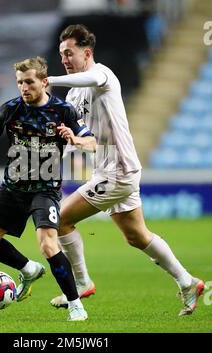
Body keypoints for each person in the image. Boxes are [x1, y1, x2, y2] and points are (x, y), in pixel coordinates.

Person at [47, 24, 205, 316]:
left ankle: (81, 283)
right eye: (61, 55)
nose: (65, 59)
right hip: (108, 171)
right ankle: (187, 282)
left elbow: (91, 78)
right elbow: (77, 140)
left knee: (58, 220)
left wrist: (50, 79)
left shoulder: (103, 75)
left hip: (117, 171)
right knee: (136, 236)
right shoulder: (73, 96)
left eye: (69, 53)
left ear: (87, 52)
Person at [0, 56, 96, 321]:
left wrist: (75, 140)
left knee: (48, 244)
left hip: (44, 190)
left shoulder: (63, 111)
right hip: (12, 188)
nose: (24, 88)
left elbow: (91, 142)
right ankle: (28, 269)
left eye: (29, 82)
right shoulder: (10, 109)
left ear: (44, 82)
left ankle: (75, 305)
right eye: (20, 83)